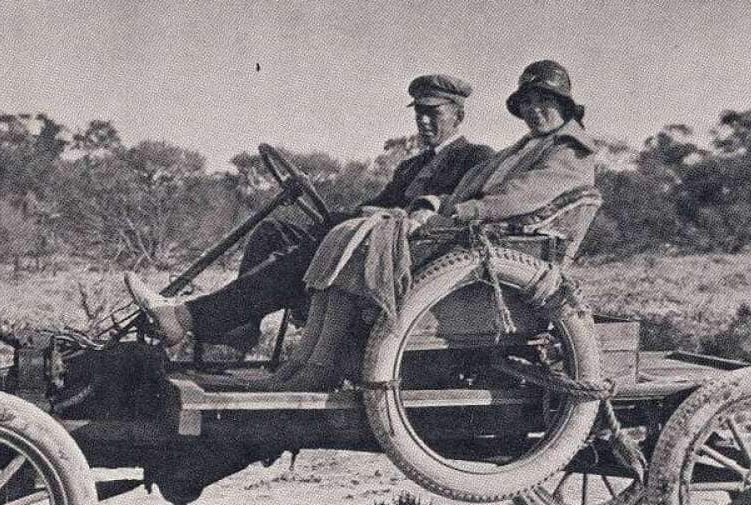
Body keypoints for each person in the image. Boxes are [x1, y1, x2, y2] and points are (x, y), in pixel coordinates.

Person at [268, 59, 600, 391]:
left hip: (492, 247)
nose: (534, 110)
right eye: (527, 102)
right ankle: (307, 361)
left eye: (543, 101)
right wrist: (434, 204)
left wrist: (462, 212)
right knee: (348, 233)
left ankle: (320, 366)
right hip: (470, 233)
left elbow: (519, 197)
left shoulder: (570, 151)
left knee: (366, 240)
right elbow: (472, 187)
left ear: (562, 104)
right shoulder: (526, 146)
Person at [125, 74, 493, 353]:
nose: (424, 122)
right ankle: (239, 330)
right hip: (377, 242)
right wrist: (360, 212)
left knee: (318, 244)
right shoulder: (409, 166)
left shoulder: (475, 156)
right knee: (276, 230)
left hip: (409, 259)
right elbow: (378, 202)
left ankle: (189, 316)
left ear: (457, 117)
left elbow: (455, 203)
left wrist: (412, 209)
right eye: (420, 114)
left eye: (434, 114)